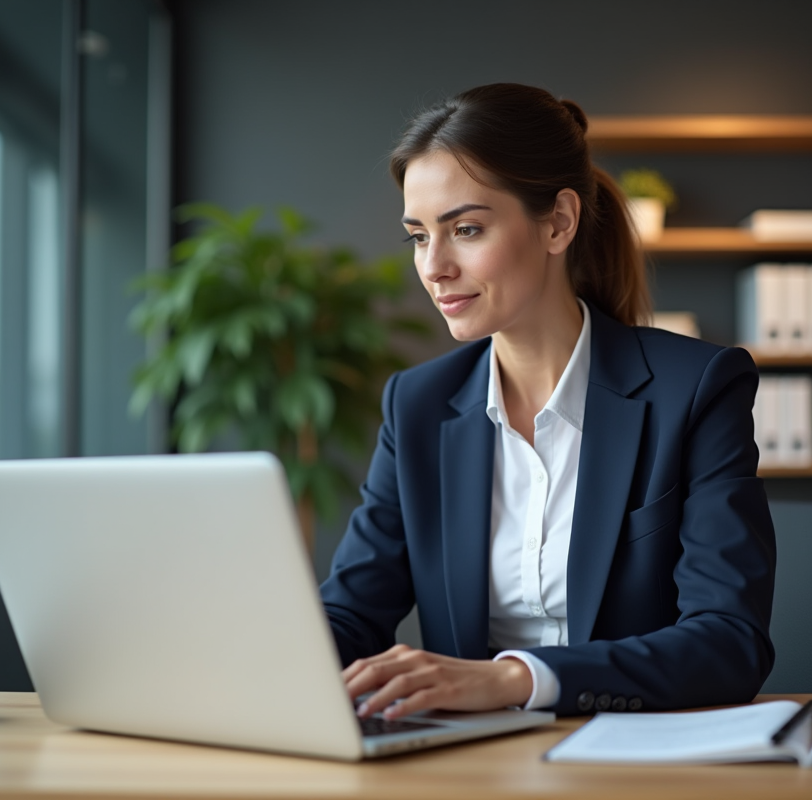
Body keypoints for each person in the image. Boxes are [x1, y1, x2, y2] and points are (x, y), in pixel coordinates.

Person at [319, 83, 775, 719]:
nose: (434, 266)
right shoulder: (418, 405)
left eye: (467, 229)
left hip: (636, 760)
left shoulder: (695, 388)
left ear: (558, 222)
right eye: (418, 237)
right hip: (469, 766)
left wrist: (515, 680)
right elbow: (351, 612)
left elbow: (728, 643)